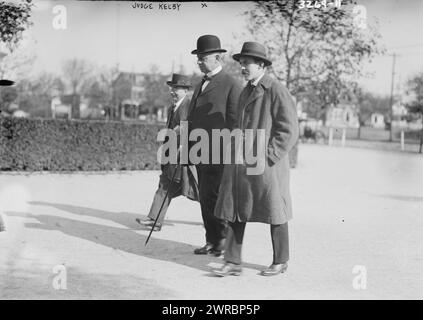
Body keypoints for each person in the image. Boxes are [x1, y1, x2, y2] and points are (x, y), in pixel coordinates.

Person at [212, 42, 299, 276]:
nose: (242, 67)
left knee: (275, 212)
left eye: (246, 63)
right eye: (240, 63)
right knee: (234, 208)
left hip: (267, 166)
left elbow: (289, 130)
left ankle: (280, 260)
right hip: (242, 163)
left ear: (261, 65)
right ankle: (232, 261)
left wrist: (269, 156)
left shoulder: (276, 90)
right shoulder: (246, 90)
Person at [187, 35, 242, 257]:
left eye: (204, 57)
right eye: (198, 58)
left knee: (220, 198)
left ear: (218, 57)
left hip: (220, 153)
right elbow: (193, 117)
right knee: (205, 198)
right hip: (200, 151)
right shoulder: (200, 83)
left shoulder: (231, 84)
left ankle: (223, 243)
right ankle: (211, 241)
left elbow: (235, 121)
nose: (200, 61)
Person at [136, 74, 199, 231]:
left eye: (177, 88)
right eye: (172, 88)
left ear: (185, 90)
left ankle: (220, 217)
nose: (173, 91)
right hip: (171, 155)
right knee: (166, 186)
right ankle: (155, 220)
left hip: (180, 156)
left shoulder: (187, 107)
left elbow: (185, 131)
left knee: (198, 190)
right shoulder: (173, 107)